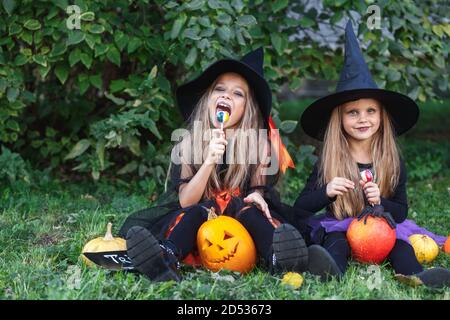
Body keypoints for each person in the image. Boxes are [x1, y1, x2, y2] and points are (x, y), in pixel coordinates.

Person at [119, 48, 329, 282]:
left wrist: (258, 195)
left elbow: (256, 190)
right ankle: (166, 259)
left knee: (250, 211)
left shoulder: (259, 145)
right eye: (220, 89)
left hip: (242, 221)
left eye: (237, 93)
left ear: (247, 108)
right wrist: (209, 161)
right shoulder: (189, 142)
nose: (226, 96)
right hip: (201, 220)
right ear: (208, 98)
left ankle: (279, 259)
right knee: (196, 212)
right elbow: (187, 201)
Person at [288, 21, 450, 288]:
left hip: (381, 231)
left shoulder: (392, 161)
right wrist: (327, 190)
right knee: (335, 243)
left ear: (381, 116)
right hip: (341, 228)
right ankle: (330, 272)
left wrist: (382, 201)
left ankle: (417, 277)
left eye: (370, 111)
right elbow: (301, 208)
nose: (362, 119)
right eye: (353, 112)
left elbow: (400, 212)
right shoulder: (329, 161)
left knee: (401, 246)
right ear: (339, 119)